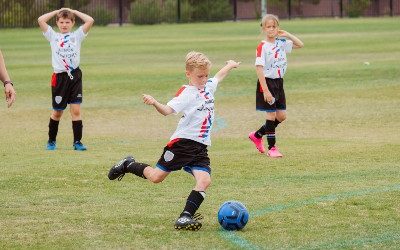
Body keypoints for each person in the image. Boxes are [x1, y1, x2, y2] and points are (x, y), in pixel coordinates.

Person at [108, 51, 240, 231]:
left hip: (200, 147)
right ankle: (128, 164)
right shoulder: (187, 93)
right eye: (199, 76)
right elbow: (167, 110)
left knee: (204, 181)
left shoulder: (208, 86)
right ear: (188, 74)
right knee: (156, 177)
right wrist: (155, 102)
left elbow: (218, 77)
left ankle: (185, 217)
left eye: (205, 75)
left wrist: (230, 65)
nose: (203, 79)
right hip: (182, 144)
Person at [38, 8, 94, 151]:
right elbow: (41, 20)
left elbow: (90, 20)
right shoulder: (53, 36)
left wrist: (74, 11)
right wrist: (56, 11)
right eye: (61, 22)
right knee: (57, 112)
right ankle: (51, 141)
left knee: (75, 110)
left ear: (72, 22)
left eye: (67, 22)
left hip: (75, 76)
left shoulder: (77, 36)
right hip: (60, 78)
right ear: (57, 22)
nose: (64, 24)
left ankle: (77, 142)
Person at [248, 14, 303, 158]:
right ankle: (272, 148)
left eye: (274, 26)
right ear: (263, 29)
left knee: (282, 116)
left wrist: (288, 35)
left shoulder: (281, 42)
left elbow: (300, 44)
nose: (271, 29)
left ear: (278, 27)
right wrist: (265, 90)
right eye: (268, 27)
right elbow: (259, 68)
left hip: (279, 82)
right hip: (267, 82)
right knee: (271, 115)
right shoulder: (262, 47)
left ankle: (257, 135)